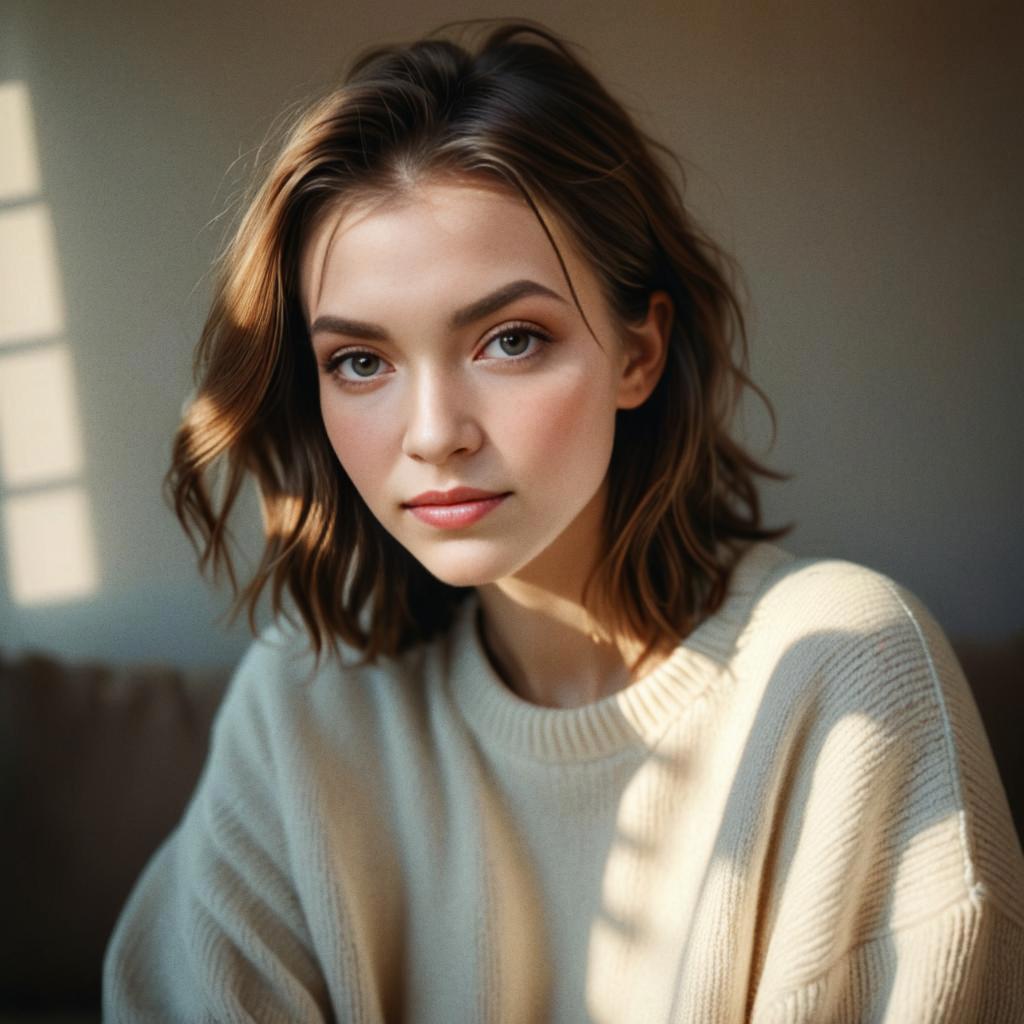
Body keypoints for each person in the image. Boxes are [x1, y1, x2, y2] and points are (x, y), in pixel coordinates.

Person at [102, 17, 1024, 1023]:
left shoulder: (842, 667)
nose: (433, 434)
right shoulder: (305, 708)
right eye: (358, 361)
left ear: (638, 351)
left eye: (509, 338)